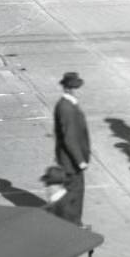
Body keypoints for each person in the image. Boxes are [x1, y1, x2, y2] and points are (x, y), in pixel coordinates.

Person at [53, 72, 90, 226]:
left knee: (73, 192)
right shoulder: (66, 108)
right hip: (72, 161)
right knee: (74, 193)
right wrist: (80, 160)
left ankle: (73, 222)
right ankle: (73, 225)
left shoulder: (67, 104)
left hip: (68, 159)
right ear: (69, 88)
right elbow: (69, 138)